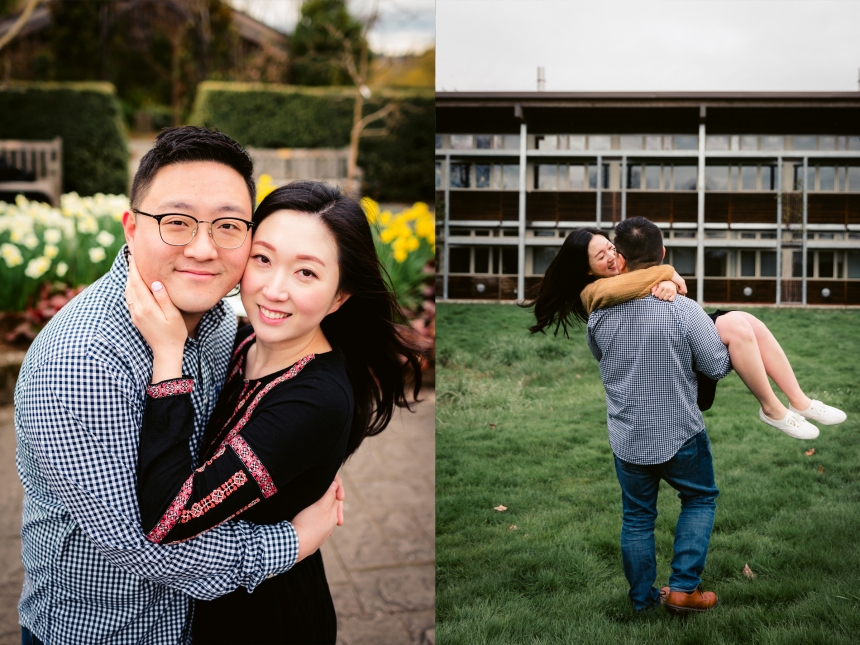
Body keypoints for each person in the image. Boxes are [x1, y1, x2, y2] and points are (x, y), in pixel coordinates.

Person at [15, 127, 345, 645]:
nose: (203, 248)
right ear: (131, 227)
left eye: (229, 226)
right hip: (109, 632)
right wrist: (294, 540)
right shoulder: (82, 361)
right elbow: (141, 547)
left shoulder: (214, 319)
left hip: (196, 622)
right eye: (176, 222)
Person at [126, 180, 424, 644]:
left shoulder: (315, 401)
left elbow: (171, 517)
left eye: (306, 273)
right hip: (212, 608)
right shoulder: (244, 339)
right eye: (262, 259)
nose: (274, 290)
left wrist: (169, 357)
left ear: (340, 296)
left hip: (266, 620)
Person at [527, 222, 846, 440]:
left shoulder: (624, 273)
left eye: (612, 248)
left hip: (671, 329)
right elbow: (635, 282)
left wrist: (664, 279)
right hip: (671, 346)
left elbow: (640, 276)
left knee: (749, 321)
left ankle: (799, 401)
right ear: (587, 268)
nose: (613, 257)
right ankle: (771, 408)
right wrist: (667, 275)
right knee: (736, 325)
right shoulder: (595, 292)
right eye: (602, 255)